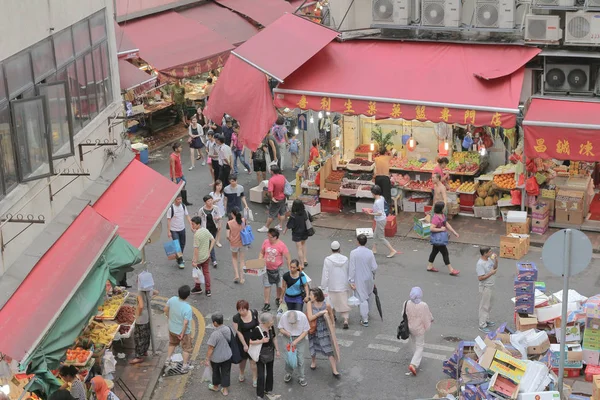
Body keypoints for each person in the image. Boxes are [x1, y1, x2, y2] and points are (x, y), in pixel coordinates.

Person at [306, 288, 340, 378]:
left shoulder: (326, 305)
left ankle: (334, 369)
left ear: (316, 296)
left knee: (328, 348)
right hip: (313, 328)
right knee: (313, 345)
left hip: (324, 329)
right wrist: (320, 313)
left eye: (311, 295)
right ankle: (313, 361)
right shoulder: (310, 304)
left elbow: (331, 314)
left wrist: (332, 325)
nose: (309, 296)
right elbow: (310, 318)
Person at [349, 234, 378, 327]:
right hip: (369, 277)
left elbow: (352, 268)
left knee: (362, 298)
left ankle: (365, 319)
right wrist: (373, 276)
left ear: (357, 242)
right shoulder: (370, 252)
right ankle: (367, 312)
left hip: (359, 278)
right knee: (369, 295)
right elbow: (374, 267)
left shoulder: (353, 253)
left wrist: (351, 281)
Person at [259, 228, 291, 312]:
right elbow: (262, 252)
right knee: (267, 286)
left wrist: (291, 270)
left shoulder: (281, 245)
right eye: (268, 236)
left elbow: (288, 258)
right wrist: (259, 261)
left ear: (275, 237)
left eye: (270, 237)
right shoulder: (266, 242)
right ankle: (266, 303)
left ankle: (278, 299)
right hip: (266, 268)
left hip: (278, 269)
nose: (268, 238)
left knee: (279, 285)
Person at [321, 241, 351, 329]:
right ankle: (345, 320)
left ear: (331, 249)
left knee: (332, 301)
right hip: (343, 284)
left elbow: (325, 274)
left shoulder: (327, 260)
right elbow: (348, 271)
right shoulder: (345, 259)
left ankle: (333, 316)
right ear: (339, 249)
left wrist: (323, 286)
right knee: (344, 302)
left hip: (332, 284)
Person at [165, 286, 194, 373]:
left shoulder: (172, 299)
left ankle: (168, 359)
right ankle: (185, 366)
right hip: (183, 332)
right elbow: (185, 323)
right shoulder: (187, 308)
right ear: (188, 296)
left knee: (172, 343)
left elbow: (165, 309)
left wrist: (169, 317)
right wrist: (182, 333)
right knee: (186, 348)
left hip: (172, 328)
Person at [405, 287, 434, 376]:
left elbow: (404, 313)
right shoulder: (423, 305)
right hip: (419, 329)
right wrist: (431, 320)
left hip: (410, 327)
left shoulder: (407, 303)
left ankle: (415, 357)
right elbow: (427, 316)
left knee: (414, 343)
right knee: (420, 345)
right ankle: (413, 363)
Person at [252, 313, 280, 400]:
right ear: (265, 322)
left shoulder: (271, 328)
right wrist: (262, 341)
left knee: (270, 372)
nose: (273, 321)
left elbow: (274, 338)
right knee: (261, 375)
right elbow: (250, 342)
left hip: (270, 352)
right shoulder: (257, 330)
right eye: (271, 320)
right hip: (260, 354)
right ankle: (259, 395)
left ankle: (268, 390)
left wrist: (277, 350)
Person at [427, 201, 460, 276]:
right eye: (444, 207)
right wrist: (441, 229)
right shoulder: (435, 218)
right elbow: (431, 228)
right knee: (445, 253)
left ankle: (429, 266)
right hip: (439, 239)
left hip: (439, 239)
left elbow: (446, 224)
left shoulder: (442, 215)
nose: (445, 208)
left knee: (434, 252)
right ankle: (451, 269)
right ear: (441, 208)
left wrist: (454, 232)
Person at [278, 310, 309, 387]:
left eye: (293, 323)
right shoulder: (284, 316)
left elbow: (306, 331)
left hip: (300, 337)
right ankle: (289, 373)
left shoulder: (302, 317)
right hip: (287, 337)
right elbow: (280, 328)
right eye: (290, 323)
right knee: (288, 357)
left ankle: (301, 377)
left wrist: (296, 341)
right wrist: (286, 332)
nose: (292, 325)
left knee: (300, 357)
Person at [232, 300, 259, 388]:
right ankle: (241, 372)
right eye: (239, 310)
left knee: (253, 361)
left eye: (243, 310)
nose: (241, 312)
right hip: (242, 340)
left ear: (247, 309)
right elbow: (238, 332)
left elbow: (258, 325)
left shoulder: (254, 313)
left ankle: (255, 378)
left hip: (253, 340)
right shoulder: (236, 318)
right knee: (243, 360)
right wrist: (244, 344)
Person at [205, 313, 232, 396]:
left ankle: (216, 386)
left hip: (216, 358)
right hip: (227, 355)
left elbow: (210, 348)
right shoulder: (227, 329)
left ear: (215, 323)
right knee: (226, 372)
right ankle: (225, 390)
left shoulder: (215, 334)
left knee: (216, 372)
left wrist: (207, 359)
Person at [367, 185, 397, 258]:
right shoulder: (382, 198)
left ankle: (392, 250)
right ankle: (374, 249)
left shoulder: (377, 202)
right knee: (375, 235)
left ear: (373, 193)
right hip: (381, 219)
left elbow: (379, 212)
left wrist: (370, 213)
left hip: (380, 220)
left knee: (381, 237)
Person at [130, 289, 159, 364]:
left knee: (138, 337)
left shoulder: (140, 291)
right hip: (147, 315)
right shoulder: (147, 290)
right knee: (146, 334)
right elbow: (157, 292)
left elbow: (141, 306)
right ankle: (144, 351)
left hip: (141, 317)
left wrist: (137, 314)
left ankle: (138, 356)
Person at [257, 165, 287, 233]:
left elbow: (270, 191)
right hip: (283, 197)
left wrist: (272, 198)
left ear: (272, 172)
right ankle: (280, 225)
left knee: (271, 214)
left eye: (270, 170)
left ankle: (266, 227)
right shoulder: (282, 177)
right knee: (282, 212)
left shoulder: (272, 180)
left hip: (276, 198)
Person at [282, 199, 312, 267]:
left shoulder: (293, 215)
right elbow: (311, 219)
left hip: (297, 233)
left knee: (299, 248)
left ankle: (301, 264)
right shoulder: (305, 212)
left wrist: (285, 231)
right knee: (303, 245)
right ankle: (305, 260)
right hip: (305, 232)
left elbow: (289, 224)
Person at [191, 216, 216, 296]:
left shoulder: (196, 235)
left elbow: (196, 249)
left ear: (198, 224)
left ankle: (198, 288)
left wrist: (194, 260)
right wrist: (209, 250)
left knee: (197, 273)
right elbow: (213, 240)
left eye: (193, 224)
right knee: (206, 273)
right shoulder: (205, 230)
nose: (192, 226)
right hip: (206, 256)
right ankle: (208, 290)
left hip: (199, 258)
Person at [167, 193, 192, 269]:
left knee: (182, 244)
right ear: (174, 199)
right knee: (177, 245)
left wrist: (191, 225)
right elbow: (168, 220)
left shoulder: (183, 206)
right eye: (178, 199)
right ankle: (180, 260)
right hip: (174, 230)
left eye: (180, 199)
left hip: (182, 228)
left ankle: (178, 257)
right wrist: (168, 231)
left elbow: (187, 216)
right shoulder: (171, 208)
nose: (180, 201)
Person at [477, 247, 498, 333]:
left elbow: (494, 267)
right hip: (485, 286)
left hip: (491, 285)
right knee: (484, 306)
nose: (491, 253)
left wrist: (496, 260)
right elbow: (480, 278)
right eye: (489, 252)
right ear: (485, 253)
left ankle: (486, 320)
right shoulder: (480, 264)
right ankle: (482, 325)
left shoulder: (489, 260)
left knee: (489, 305)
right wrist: (490, 273)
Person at [198, 195, 221, 268]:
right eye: (208, 201)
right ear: (205, 202)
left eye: (211, 200)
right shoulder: (201, 210)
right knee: (211, 242)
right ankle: (214, 260)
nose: (210, 202)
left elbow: (220, 216)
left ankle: (208, 256)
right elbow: (199, 219)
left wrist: (218, 221)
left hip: (214, 228)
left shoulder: (215, 208)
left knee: (210, 243)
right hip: (205, 229)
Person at [227, 207, 247, 284]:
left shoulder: (229, 223)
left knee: (234, 258)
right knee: (242, 260)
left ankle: (236, 275)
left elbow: (227, 236)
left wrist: (230, 239)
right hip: (243, 242)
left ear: (232, 214)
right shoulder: (243, 220)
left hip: (234, 243)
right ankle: (242, 278)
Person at [210, 180, 226, 247]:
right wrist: (214, 201)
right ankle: (211, 239)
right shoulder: (211, 194)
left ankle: (218, 241)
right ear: (215, 186)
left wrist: (225, 207)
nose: (219, 187)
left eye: (220, 185)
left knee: (219, 228)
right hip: (213, 213)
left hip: (221, 213)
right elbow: (209, 203)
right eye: (218, 185)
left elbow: (224, 201)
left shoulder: (222, 194)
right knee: (212, 227)